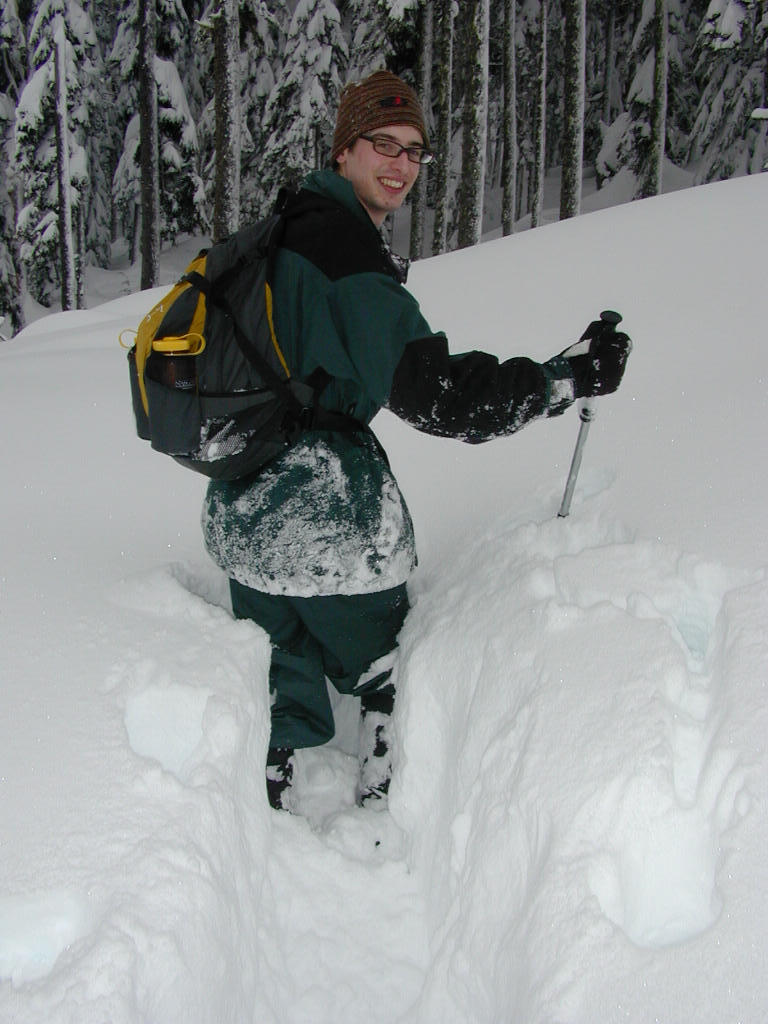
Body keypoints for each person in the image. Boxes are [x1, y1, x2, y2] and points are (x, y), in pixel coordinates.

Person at [201, 70, 631, 812]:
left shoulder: (284, 227)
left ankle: (273, 769)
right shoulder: (345, 256)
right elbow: (440, 397)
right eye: (383, 144)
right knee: (383, 656)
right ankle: (382, 769)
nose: (401, 165)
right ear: (343, 149)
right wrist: (564, 379)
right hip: (328, 515)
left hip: (240, 509)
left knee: (280, 655)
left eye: (414, 151)